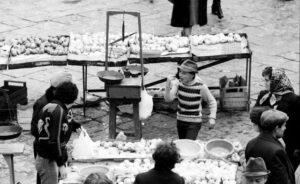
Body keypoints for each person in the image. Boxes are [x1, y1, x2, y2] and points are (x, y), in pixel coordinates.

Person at [31, 72, 78, 184]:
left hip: (55, 152)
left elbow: (66, 119)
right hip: (48, 154)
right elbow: (38, 131)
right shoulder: (44, 104)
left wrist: (75, 125)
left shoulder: (60, 104)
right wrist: (60, 161)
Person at [255, 66, 300, 168]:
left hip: (290, 144)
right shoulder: (265, 96)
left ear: (275, 81)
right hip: (268, 141)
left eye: (267, 81)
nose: (265, 83)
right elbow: (255, 116)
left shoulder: (295, 100)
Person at [164, 59, 217, 140]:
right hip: (180, 121)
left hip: (194, 122)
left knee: (188, 146)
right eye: (180, 72)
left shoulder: (201, 86)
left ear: (192, 75)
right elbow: (168, 99)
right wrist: (167, 85)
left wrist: (212, 118)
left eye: (184, 73)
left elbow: (212, 102)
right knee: (183, 145)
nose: (180, 75)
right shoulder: (177, 83)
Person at [245, 109, 295, 184]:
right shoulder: (277, 150)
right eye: (284, 125)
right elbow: (281, 180)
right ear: (277, 128)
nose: (285, 128)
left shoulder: (250, 143)